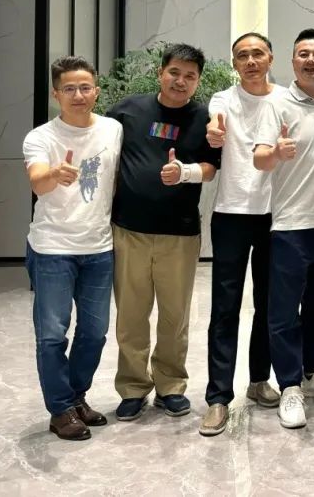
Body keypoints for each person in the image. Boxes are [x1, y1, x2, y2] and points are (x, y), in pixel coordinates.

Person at [108, 44, 219, 422]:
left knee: (175, 316)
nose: (181, 81)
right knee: (131, 315)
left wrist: (184, 172)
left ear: (197, 81)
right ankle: (132, 387)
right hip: (129, 231)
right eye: (174, 72)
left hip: (179, 234)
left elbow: (210, 168)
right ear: (160, 73)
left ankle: (170, 385)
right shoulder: (126, 111)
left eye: (190, 76)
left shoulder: (204, 118)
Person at [22, 56, 123, 440]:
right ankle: (61, 409)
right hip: (52, 248)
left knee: (95, 333)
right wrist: (54, 174)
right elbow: (37, 182)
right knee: (52, 334)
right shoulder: (41, 137)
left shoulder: (113, 129)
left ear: (96, 90)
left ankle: (76, 397)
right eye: (69, 89)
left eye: (84, 88)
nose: (78, 95)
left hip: (98, 247)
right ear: (56, 94)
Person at [253, 28, 314, 429]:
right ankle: (290, 385)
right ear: (293, 62)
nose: (311, 60)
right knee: (283, 312)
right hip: (289, 224)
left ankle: (311, 370)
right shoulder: (276, 104)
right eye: (303, 54)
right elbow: (259, 159)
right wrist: (275, 152)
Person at [199, 32, 287, 436]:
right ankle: (218, 397)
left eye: (257, 54)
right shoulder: (223, 99)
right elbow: (214, 128)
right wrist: (214, 135)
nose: (250, 61)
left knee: (269, 304)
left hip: (276, 214)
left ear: (270, 58)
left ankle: (258, 380)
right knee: (225, 307)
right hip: (231, 213)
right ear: (234, 63)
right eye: (242, 56)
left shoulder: (285, 99)